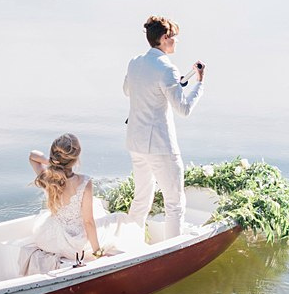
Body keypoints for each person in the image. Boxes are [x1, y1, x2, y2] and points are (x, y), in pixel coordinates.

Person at [123, 15, 205, 239]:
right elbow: (184, 109)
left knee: (141, 199)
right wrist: (199, 84)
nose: (177, 42)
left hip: (135, 142)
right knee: (175, 204)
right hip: (159, 145)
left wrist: (171, 86)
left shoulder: (135, 62)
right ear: (164, 38)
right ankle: (172, 251)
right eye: (174, 37)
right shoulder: (167, 68)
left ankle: (130, 243)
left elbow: (127, 90)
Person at [21, 133, 143, 275]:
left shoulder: (48, 178)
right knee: (119, 219)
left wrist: (54, 163)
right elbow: (88, 222)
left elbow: (32, 156)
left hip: (51, 238)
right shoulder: (84, 182)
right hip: (76, 246)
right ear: (76, 158)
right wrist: (98, 252)